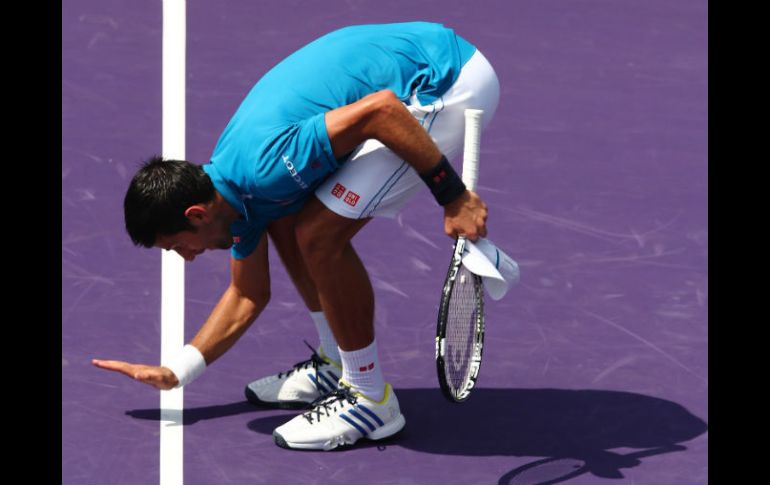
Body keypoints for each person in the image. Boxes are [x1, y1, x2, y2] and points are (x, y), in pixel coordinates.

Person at [93, 21, 499, 451]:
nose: (187, 257)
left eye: (178, 246)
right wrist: (177, 372)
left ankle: (370, 399)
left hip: (446, 80)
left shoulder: (264, 168)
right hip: (420, 63)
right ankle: (334, 361)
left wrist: (452, 197)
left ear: (195, 215)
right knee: (287, 223)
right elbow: (247, 294)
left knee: (318, 235)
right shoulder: (231, 194)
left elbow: (381, 110)